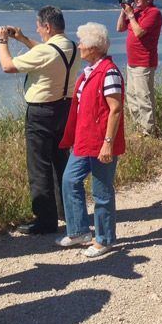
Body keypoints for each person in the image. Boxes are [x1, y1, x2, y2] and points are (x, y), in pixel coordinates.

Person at [0, 7, 77, 235]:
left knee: (39, 165)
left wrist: (3, 41)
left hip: (41, 113)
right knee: (61, 160)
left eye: (39, 26)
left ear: (47, 27)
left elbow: (7, 66)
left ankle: (45, 219)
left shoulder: (47, 52)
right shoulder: (71, 46)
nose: (38, 30)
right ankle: (67, 211)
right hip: (64, 108)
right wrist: (22, 39)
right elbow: (45, 52)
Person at [56, 23, 125, 258]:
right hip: (84, 141)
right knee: (69, 180)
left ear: (94, 48)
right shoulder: (89, 72)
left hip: (101, 143)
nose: (80, 46)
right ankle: (79, 231)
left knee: (101, 192)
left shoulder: (110, 72)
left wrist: (108, 142)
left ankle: (104, 239)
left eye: (83, 43)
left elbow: (115, 109)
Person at [116, 0, 162, 136]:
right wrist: (124, 11)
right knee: (132, 97)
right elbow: (119, 28)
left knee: (144, 98)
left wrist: (131, 15)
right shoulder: (135, 12)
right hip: (132, 62)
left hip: (144, 62)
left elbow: (139, 32)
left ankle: (149, 132)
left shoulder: (154, 13)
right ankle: (139, 128)